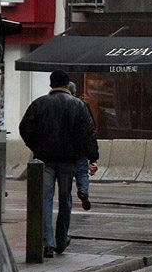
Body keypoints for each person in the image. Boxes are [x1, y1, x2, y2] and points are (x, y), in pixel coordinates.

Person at [19, 70, 99, 258]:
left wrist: (36, 146)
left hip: (45, 160)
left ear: (51, 84)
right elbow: (89, 133)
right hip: (68, 160)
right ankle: (61, 239)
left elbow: (24, 128)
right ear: (66, 85)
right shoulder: (78, 105)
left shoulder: (39, 104)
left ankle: (47, 243)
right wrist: (92, 157)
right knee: (65, 200)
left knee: (45, 200)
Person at [67, 81, 98, 211]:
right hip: (81, 149)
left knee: (66, 177)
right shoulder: (83, 106)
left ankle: (67, 198)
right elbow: (90, 131)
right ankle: (83, 191)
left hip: (65, 151)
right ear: (75, 92)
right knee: (82, 173)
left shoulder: (59, 104)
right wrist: (93, 158)